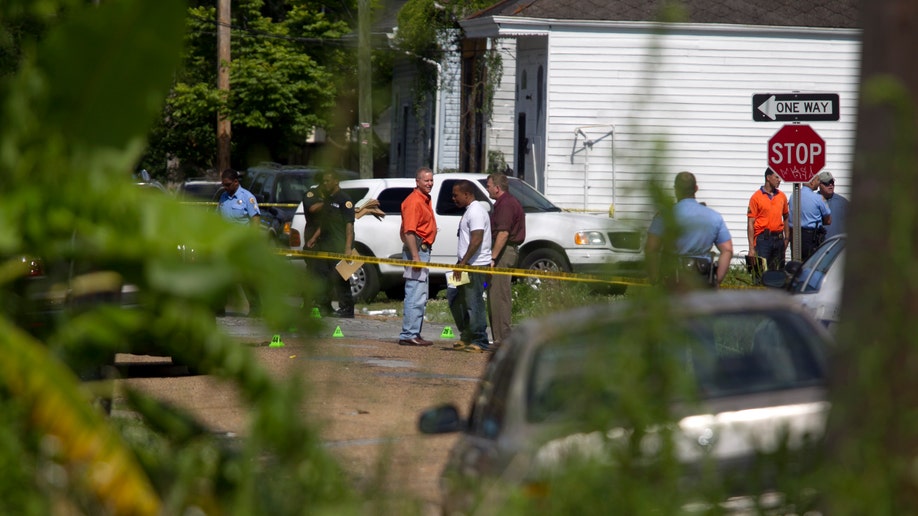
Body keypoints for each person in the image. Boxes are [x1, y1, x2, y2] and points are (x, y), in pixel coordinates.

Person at [646, 171, 733, 288]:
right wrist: (716, 280)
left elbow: (651, 248)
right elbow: (727, 250)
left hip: (673, 280)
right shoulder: (714, 217)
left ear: (676, 189)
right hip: (703, 278)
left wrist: (654, 278)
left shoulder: (664, 216)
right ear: (696, 188)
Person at [304, 170, 355, 318]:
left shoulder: (344, 200)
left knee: (341, 278)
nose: (325, 183)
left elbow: (349, 225)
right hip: (326, 245)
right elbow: (324, 223)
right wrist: (314, 238)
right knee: (323, 277)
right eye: (324, 181)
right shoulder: (327, 199)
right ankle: (325, 306)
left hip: (340, 245)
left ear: (336, 181)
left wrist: (347, 248)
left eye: (328, 181)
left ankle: (347, 308)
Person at [448, 180, 492, 352]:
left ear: (466, 194)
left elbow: (477, 239)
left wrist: (464, 263)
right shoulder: (469, 211)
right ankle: (466, 336)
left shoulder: (476, 212)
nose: (453, 198)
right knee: (456, 299)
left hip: (475, 265)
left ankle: (480, 340)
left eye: (455, 195)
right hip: (465, 264)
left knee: (474, 303)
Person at [398, 167, 438, 347]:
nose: (429, 183)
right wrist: (415, 256)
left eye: (431, 180)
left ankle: (415, 332)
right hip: (417, 250)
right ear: (417, 181)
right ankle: (409, 334)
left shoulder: (425, 199)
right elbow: (409, 232)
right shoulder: (414, 201)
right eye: (426, 181)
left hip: (422, 249)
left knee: (421, 293)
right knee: (414, 292)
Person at [485, 172, 525, 348]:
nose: (487, 188)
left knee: (499, 295)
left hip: (504, 252)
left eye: (488, 185)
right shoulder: (504, 203)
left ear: (497, 188)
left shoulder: (506, 205)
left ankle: (503, 339)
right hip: (504, 250)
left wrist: (493, 257)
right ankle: (499, 337)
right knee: (496, 294)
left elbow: (503, 233)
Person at [217, 168, 262, 316]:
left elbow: (255, 219)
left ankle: (256, 307)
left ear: (236, 182)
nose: (226, 187)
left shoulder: (247, 197)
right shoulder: (223, 198)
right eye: (224, 185)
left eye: (228, 184)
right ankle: (219, 306)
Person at [747, 168, 789, 281]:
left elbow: (786, 217)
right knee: (760, 275)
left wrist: (787, 238)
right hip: (763, 240)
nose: (779, 180)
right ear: (768, 177)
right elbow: (750, 223)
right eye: (777, 177)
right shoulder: (756, 197)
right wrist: (751, 248)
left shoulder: (782, 196)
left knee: (778, 273)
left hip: (779, 239)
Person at [788, 174, 832, 261]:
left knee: (796, 265)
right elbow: (828, 220)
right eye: (817, 180)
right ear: (812, 182)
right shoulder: (818, 198)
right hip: (811, 238)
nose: (819, 183)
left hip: (795, 236)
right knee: (811, 264)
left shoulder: (793, 196)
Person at [816, 171, 848, 239]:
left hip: (838, 246)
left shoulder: (843, 202)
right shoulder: (813, 201)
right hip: (819, 246)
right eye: (826, 183)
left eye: (832, 182)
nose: (830, 185)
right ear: (819, 184)